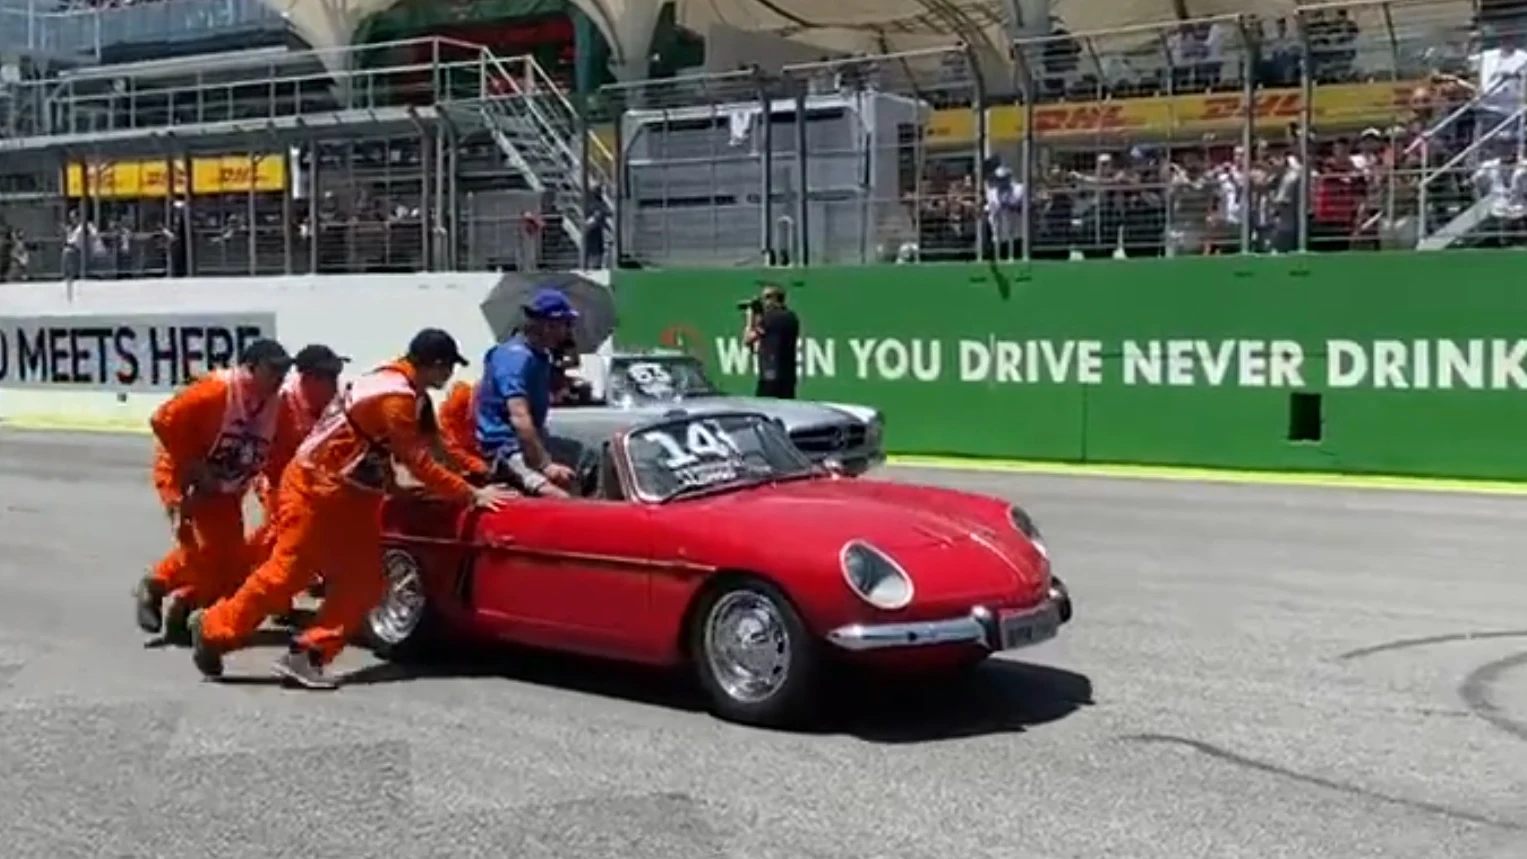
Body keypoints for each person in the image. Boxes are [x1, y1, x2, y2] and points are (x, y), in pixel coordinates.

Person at [188, 329, 516, 688]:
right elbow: (419, 460)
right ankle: (212, 628)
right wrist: (471, 495)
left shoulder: (403, 388)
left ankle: (308, 652)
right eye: (449, 367)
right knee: (288, 574)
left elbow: (432, 446)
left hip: (353, 495)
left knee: (367, 582)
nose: (451, 375)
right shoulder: (396, 398)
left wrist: (481, 475)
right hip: (315, 488)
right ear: (434, 365)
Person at [134, 339, 301, 642]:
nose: (280, 377)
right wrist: (195, 468)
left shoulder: (276, 406)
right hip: (185, 474)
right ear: (251, 369)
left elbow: (280, 455)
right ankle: (157, 587)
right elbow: (163, 421)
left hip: (225, 485)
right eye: (273, 369)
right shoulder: (216, 391)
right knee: (205, 554)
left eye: (284, 371)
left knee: (230, 563)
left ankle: (181, 603)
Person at [248, 344, 350, 610]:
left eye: (335, 377)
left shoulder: (335, 406)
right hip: (277, 479)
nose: (334, 384)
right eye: (327, 378)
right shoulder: (281, 403)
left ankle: (306, 578)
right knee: (279, 538)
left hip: (312, 482)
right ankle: (263, 591)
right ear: (307, 379)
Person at [475, 289, 579, 497]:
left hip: (531, 440)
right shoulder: (515, 358)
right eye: (565, 325)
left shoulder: (540, 356)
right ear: (547, 325)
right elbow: (520, 418)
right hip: (505, 448)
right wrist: (545, 465)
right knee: (560, 497)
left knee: (591, 460)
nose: (568, 332)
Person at [744, 283, 799, 399]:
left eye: (765, 298)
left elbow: (748, 340)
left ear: (773, 298)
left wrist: (750, 318)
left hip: (770, 377)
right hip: (788, 377)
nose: (764, 302)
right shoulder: (791, 317)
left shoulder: (769, 318)